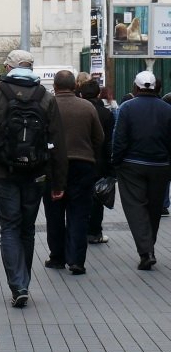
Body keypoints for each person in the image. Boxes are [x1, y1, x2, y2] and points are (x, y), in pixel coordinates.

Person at [0, 49, 67, 308]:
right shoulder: (46, 98)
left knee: (9, 227)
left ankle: (18, 284)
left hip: (2, 171)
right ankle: (23, 280)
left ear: (9, 68)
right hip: (36, 172)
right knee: (27, 227)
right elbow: (57, 143)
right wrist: (58, 183)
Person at [43, 70, 103, 275]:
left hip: (53, 166)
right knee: (79, 213)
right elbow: (99, 137)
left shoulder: (46, 106)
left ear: (55, 86)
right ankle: (76, 260)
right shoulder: (87, 107)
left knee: (54, 212)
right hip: (83, 164)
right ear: (75, 86)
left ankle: (57, 256)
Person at [110, 71, 171, 270]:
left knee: (135, 207)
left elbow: (119, 138)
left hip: (131, 165)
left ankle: (146, 251)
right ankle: (149, 246)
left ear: (135, 87)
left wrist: (116, 162)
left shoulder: (127, 107)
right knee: (154, 208)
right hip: (160, 166)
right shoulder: (167, 109)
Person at [78, 79, 115, 243]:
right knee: (97, 199)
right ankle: (95, 232)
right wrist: (110, 166)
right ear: (98, 93)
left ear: (81, 93)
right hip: (98, 162)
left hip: (78, 160)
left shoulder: (77, 110)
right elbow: (108, 142)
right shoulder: (106, 113)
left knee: (78, 197)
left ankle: (79, 229)